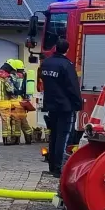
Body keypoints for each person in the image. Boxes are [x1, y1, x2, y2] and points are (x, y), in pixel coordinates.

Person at [39, 39, 83, 176]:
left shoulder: (46, 63)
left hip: (51, 106)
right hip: (65, 107)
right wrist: (78, 103)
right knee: (63, 138)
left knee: (54, 136)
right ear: (67, 50)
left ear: (55, 48)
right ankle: (59, 168)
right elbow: (72, 86)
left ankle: (52, 166)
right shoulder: (66, 65)